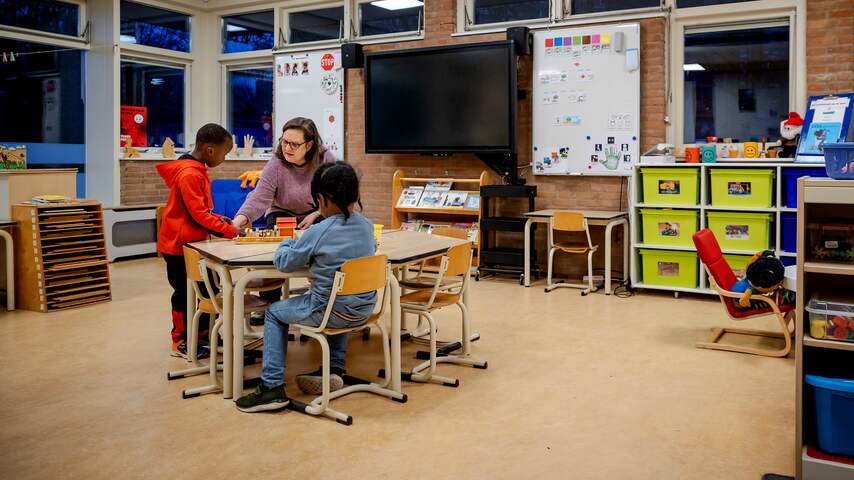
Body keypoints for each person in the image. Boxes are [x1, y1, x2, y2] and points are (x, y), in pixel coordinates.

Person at [235, 162, 376, 413]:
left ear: (321, 199)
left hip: (328, 311)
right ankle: (334, 369)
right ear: (356, 196)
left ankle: (271, 387)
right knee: (341, 293)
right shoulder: (366, 226)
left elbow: (285, 263)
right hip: (364, 309)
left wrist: (286, 243)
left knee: (274, 313)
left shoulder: (319, 231)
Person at [233, 117, 337, 308]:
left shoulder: (325, 159)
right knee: (275, 250)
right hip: (281, 211)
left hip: (316, 211)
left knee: (325, 245)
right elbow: (259, 197)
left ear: (309, 145)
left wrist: (317, 213)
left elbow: (334, 194)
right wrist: (236, 222)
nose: (287, 148)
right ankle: (268, 304)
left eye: (294, 144)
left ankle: (320, 299)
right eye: (284, 141)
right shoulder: (276, 163)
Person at [157, 123, 238, 359]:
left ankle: (203, 335)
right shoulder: (190, 174)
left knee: (208, 287)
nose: (224, 158)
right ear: (210, 150)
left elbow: (198, 211)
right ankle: (180, 341)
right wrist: (230, 231)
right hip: (178, 246)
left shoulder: (195, 170)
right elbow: (197, 216)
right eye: (224, 153)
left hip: (192, 243)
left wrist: (217, 218)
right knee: (184, 293)